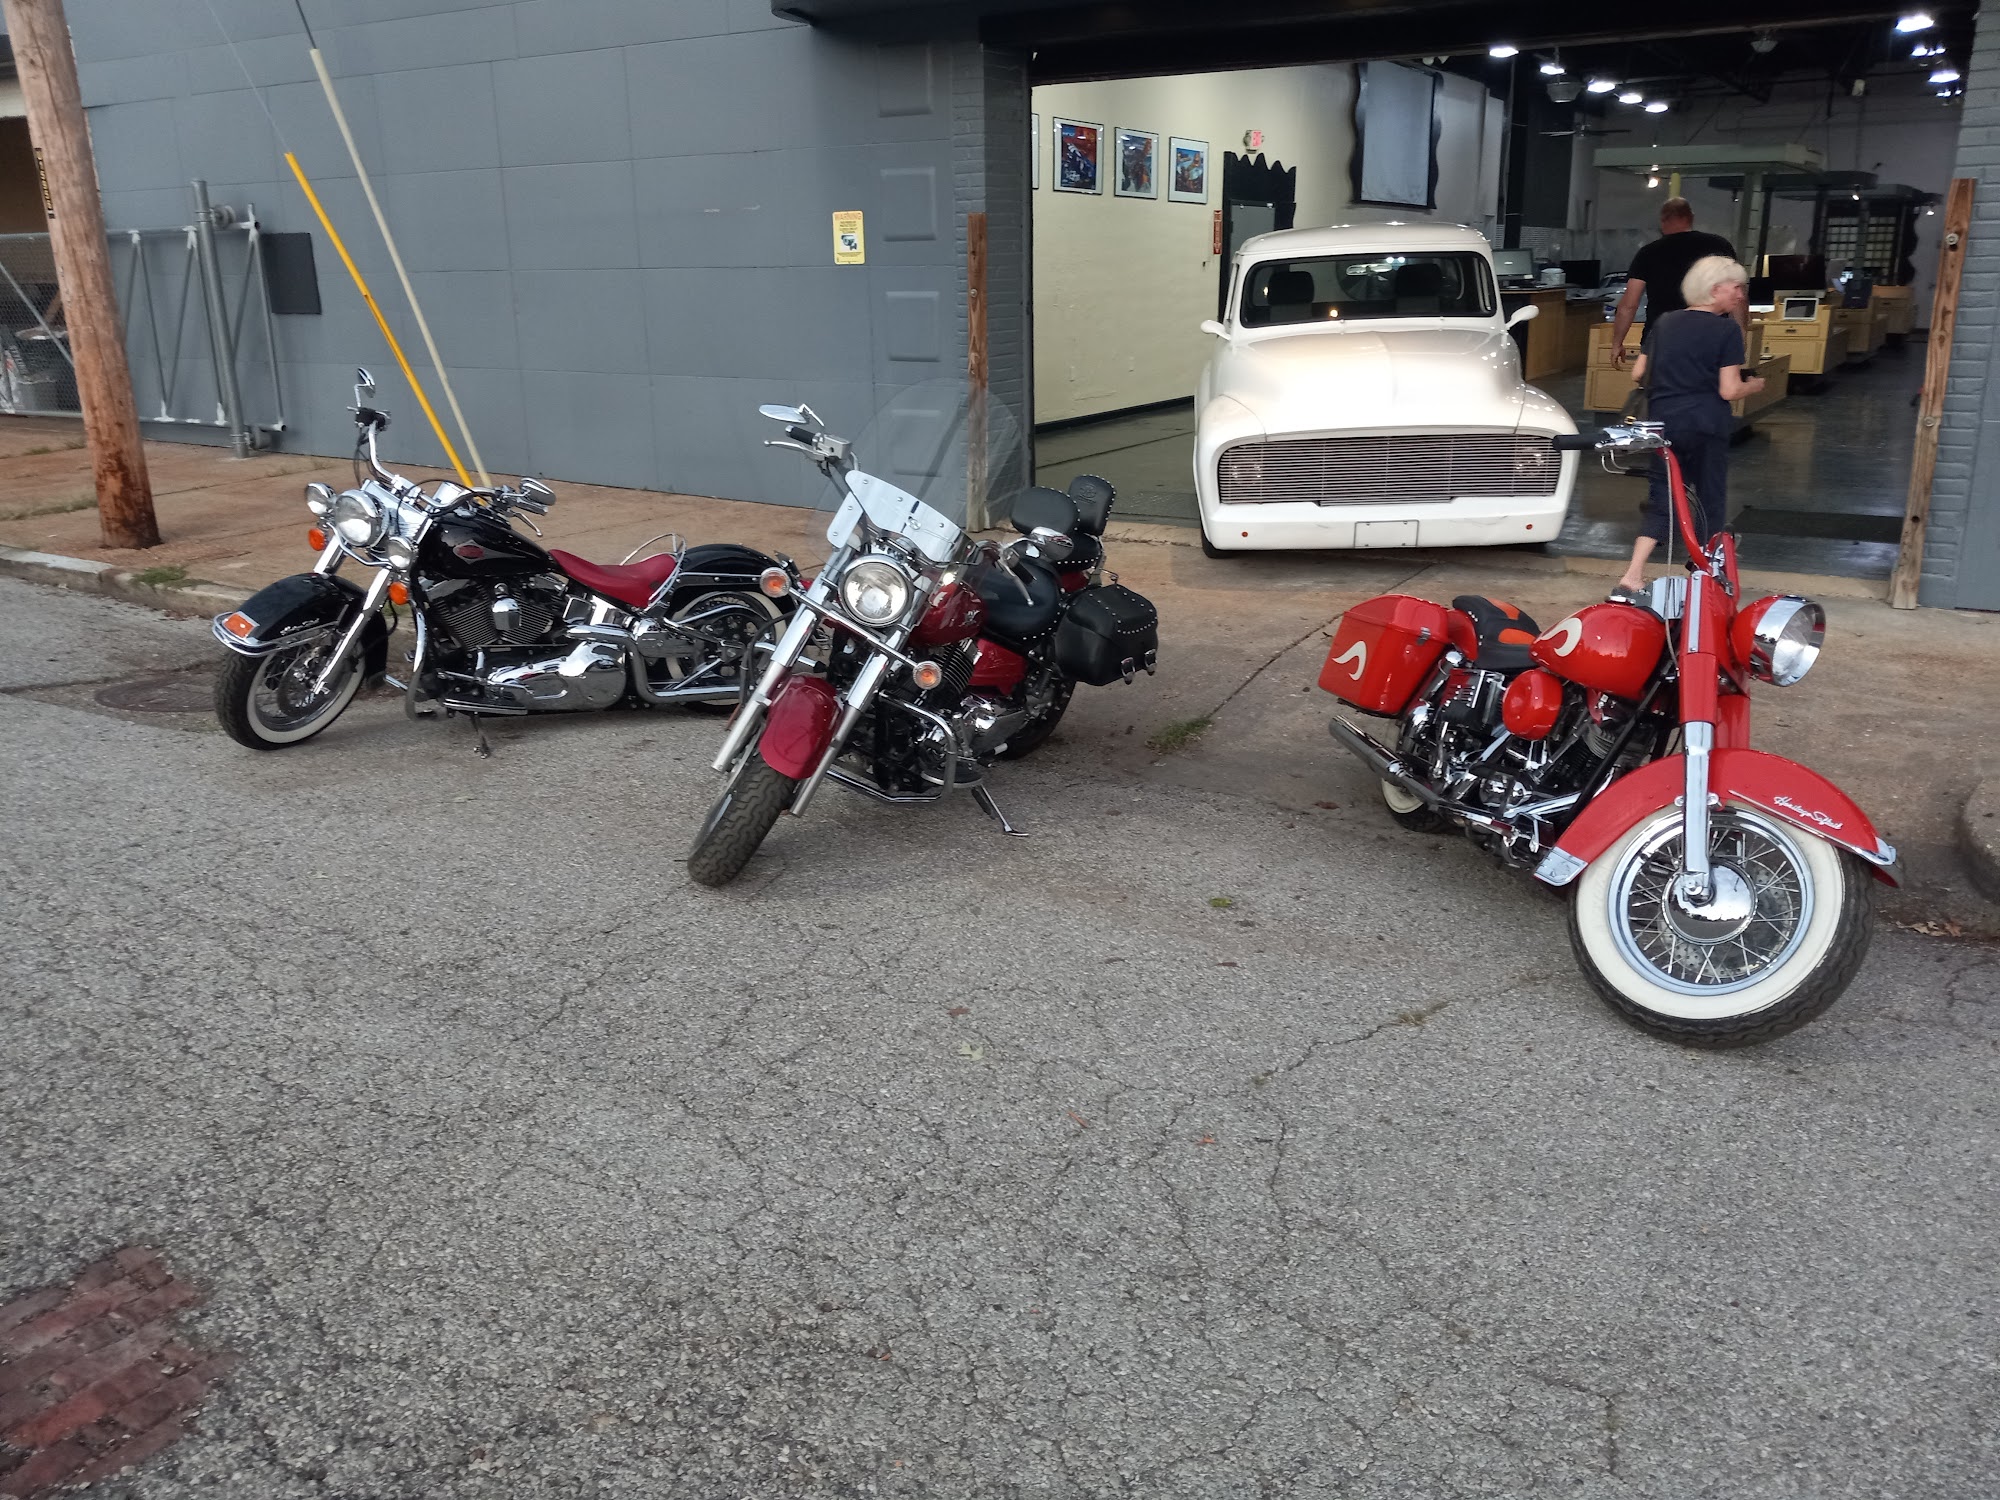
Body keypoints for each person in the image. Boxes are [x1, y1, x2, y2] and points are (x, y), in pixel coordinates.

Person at [1610, 256, 1764, 601]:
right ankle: (1705, 574)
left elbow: (1638, 373)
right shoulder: (1726, 330)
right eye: (1736, 287)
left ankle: (1632, 575)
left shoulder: (1665, 322)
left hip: (1663, 425)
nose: (1741, 295)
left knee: (1662, 499)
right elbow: (1729, 390)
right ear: (1715, 289)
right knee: (1709, 499)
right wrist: (1754, 385)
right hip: (1706, 425)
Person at [1610, 198, 1737, 371]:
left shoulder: (1649, 252)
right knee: (1708, 385)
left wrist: (1617, 342)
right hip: (1711, 337)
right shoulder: (1719, 246)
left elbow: (1629, 305)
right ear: (1691, 217)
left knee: (1657, 385)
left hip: (1661, 338)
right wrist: (1741, 335)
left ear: (1663, 220)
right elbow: (1737, 295)